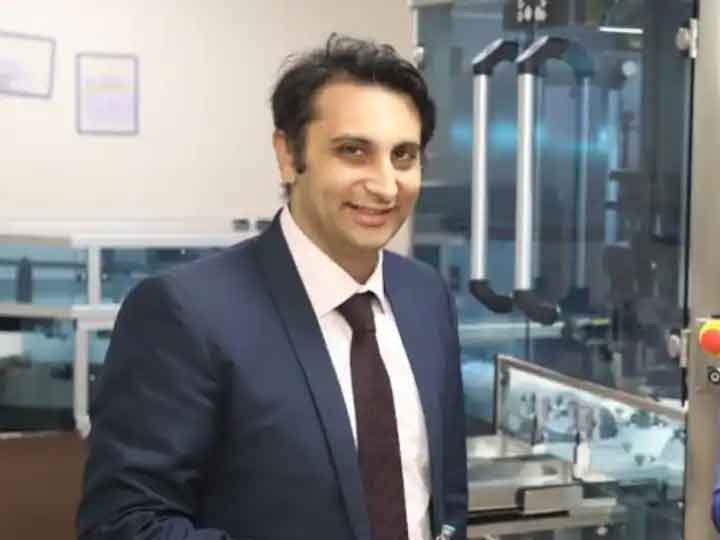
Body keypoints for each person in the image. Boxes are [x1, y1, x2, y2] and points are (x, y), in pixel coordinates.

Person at [77, 34, 467, 540]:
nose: (385, 185)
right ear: (288, 155)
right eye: (353, 151)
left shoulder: (425, 297)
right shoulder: (186, 313)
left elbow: (444, 502)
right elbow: (125, 525)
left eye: (403, 156)